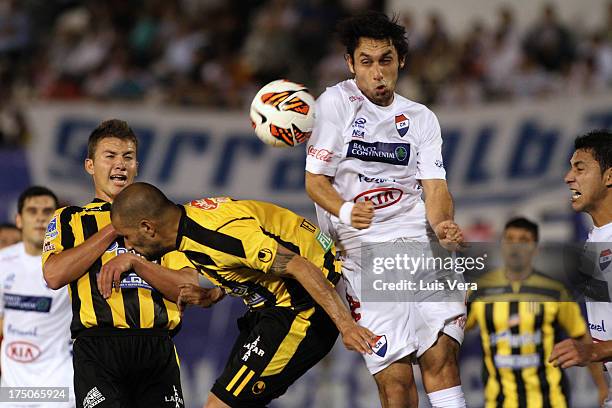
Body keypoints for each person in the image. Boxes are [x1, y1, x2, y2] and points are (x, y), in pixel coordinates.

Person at [304, 11, 466, 407]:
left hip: (420, 241)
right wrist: (344, 211)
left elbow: (435, 187)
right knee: (395, 382)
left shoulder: (421, 118)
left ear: (401, 61)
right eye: (366, 62)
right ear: (350, 64)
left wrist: (443, 222)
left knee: (440, 357)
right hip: (363, 252)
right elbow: (314, 182)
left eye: (386, 60)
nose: (377, 72)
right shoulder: (335, 104)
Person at [98, 182, 376, 408]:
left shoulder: (218, 236)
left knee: (221, 405)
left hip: (301, 310)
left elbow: (299, 265)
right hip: (270, 306)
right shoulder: (188, 223)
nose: (127, 245)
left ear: (148, 227)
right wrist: (212, 295)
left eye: (127, 236)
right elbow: (243, 267)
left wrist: (347, 326)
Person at [41, 119, 197, 408]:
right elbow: (53, 275)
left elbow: (187, 287)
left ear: (137, 166)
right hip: (98, 347)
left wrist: (138, 264)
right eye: (110, 156)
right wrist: (117, 224)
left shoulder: (166, 220)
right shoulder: (68, 219)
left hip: (156, 347)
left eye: (128, 157)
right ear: (90, 165)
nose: (120, 164)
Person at [466, 217, 608, 407]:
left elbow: (582, 337)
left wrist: (602, 387)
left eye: (523, 240)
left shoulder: (554, 292)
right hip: (498, 402)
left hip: (550, 400)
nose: (516, 247)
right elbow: (454, 334)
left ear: (535, 249)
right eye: (510, 239)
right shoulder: (479, 291)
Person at [549, 130, 612, 406]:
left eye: (580, 168)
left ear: (609, 177)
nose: (568, 177)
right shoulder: (592, 242)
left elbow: (595, 348)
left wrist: (593, 353)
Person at [0, 186, 74, 407]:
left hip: (58, 387)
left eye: (48, 212)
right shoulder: (2, 262)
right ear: (19, 219)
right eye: (33, 211)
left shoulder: (71, 264)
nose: (41, 218)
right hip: (12, 389)